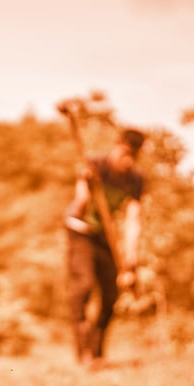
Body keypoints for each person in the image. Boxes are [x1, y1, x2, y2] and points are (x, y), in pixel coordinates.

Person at [64, 128, 145, 368]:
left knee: (111, 294)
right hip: (80, 230)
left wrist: (131, 258)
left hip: (104, 236)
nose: (127, 160)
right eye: (125, 153)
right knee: (83, 285)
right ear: (116, 146)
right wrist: (87, 186)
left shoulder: (135, 179)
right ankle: (83, 352)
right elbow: (79, 203)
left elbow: (133, 219)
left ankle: (97, 351)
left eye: (133, 156)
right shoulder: (95, 164)